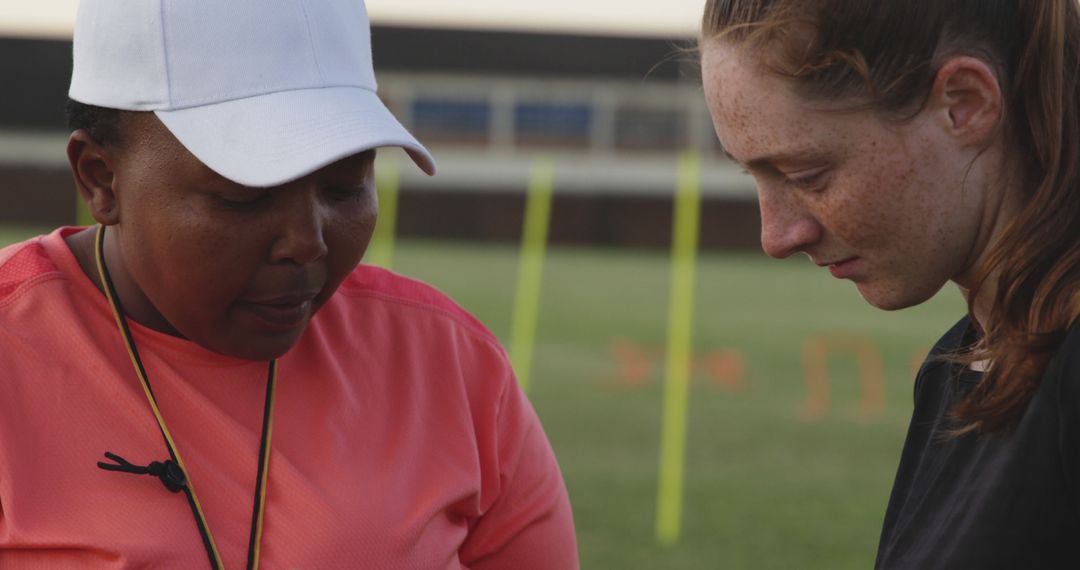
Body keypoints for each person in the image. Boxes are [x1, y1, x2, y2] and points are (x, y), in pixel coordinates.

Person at [0, 0, 579, 568]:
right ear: (100, 179)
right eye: (245, 197)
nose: (308, 241)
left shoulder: (451, 366)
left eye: (345, 187)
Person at [699, 0, 1080, 567]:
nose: (776, 236)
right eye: (752, 172)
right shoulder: (960, 362)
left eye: (807, 175)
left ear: (964, 104)